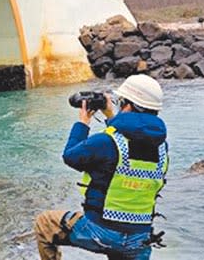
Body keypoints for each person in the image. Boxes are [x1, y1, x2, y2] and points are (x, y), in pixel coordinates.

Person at [34, 74, 168, 260]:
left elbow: (71, 156)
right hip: (139, 240)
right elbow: (133, 139)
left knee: (45, 223)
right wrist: (110, 116)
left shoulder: (107, 142)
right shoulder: (163, 148)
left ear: (127, 105)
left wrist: (83, 123)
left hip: (102, 233)